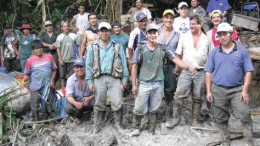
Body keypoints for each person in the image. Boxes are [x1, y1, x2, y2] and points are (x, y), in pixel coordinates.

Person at [130, 23, 197, 136]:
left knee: (154, 109)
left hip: (158, 84)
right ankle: (135, 128)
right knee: (139, 108)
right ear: (146, 35)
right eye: (150, 33)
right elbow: (134, 66)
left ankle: (151, 131)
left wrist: (188, 67)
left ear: (158, 34)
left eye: (154, 33)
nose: (152, 35)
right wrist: (134, 85)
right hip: (144, 83)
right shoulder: (140, 48)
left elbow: (176, 59)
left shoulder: (163, 48)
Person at [205, 22, 255, 146]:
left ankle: (249, 142)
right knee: (220, 117)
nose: (223, 37)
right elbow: (208, 72)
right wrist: (208, 91)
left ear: (231, 34)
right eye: (220, 34)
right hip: (218, 89)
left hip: (237, 89)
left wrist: (244, 90)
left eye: (225, 34)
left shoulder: (241, 51)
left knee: (244, 114)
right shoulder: (214, 52)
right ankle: (225, 141)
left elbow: (248, 71)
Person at [166, 15, 212, 128]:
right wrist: (177, 68)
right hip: (186, 70)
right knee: (178, 95)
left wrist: (210, 73)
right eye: (190, 24)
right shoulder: (184, 36)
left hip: (201, 71)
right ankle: (175, 118)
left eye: (193, 24)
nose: (191, 26)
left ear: (199, 25)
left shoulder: (207, 39)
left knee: (197, 97)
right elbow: (178, 54)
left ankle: (194, 120)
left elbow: (211, 57)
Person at [86, 22, 129, 134]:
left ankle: (119, 125)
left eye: (106, 31)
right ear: (99, 33)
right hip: (99, 79)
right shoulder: (93, 47)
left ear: (110, 32)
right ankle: (96, 126)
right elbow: (89, 65)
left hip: (114, 78)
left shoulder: (117, 46)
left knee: (117, 102)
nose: (104, 33)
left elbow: (124, 63)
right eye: (102, 31)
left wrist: (124, 79)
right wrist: (90, 81)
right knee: (99, 103)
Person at [21, 39, 57, 121]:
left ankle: (50, 121)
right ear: (33, 50)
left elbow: (54, 69)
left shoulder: (49, 57)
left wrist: (52, 80)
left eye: (40, 47)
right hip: (35, 86)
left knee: (49, 104)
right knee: (35, 105)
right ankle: (36, 121)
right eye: (36, 48)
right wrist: (23, 82)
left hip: (48, 85)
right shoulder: (29, 60)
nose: (39, 50)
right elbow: (27, 74)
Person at [157, 9, 180, 120]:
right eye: (166, 17)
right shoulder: (155, 30)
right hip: (157, 63)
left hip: (171, 64)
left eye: (171, 18)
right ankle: (156, 110)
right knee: (157, 87)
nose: (168, 20)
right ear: (163, 18)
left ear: (173, 20)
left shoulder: (177, 34)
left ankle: (168, 108)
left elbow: (179, 52)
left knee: (170, 88)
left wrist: (177, 66)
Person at [65, 58, 94, 123]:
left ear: (85, 67)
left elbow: (99, 92)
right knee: (68, 108)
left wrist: (90, 98)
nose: (79, 69)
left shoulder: (91, 77)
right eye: (77, 67)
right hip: (78, 103)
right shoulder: (70, 80)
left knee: (97, 101)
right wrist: (75, 103)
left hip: (90, 102)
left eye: (81, 67)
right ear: (74, 69)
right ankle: (79, 117)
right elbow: (68, 96)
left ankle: (93, 116)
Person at [56, 21, 77, 88]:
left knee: (71, 76)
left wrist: (78, 56)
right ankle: (64, 88)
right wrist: (60, 58)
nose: (66, 27)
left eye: (67, 26)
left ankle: (70, 88)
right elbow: (58, 48)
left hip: (72, 59)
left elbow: (78, 45)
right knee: (62, 75)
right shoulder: (59, 37)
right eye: (64, 26)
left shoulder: (73, 36)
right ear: (62, 28)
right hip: (63, 59)